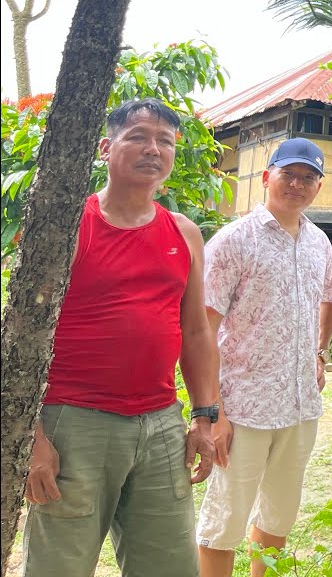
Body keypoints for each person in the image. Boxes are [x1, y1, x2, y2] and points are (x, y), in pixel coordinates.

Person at [21, 98, 221, 577]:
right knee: (59, 568)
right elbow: (21, 338)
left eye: (165, 141)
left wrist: (205, 418)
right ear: (107, 147)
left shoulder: (184, 232)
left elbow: (195, 331)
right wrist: (32, 440)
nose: (153, 149)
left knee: (171, 567)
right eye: (138, 137)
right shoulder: (67, 226)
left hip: (160, 425)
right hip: (74, 425)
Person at [196, 137, 332, 577]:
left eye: (308, 178)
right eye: (288, 174)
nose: (297, 185)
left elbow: (329, 298)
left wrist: (320, 353)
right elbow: (203, 326)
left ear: (319, 187)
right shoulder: (234, 240)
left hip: (299, 406)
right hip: (243, 407)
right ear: (266, 178)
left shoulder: (318, 241)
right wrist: (212, 410)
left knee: (279, 516)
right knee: (225, 521)